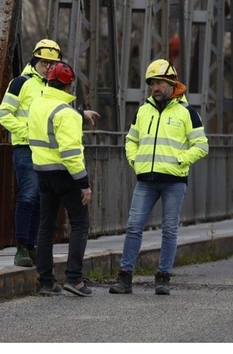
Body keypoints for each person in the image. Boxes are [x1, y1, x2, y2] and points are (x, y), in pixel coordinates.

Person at [109, 59, 210, 296]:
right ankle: (125, 279)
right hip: (146, 181)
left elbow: (202, 146)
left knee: (169, 229)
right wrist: (135, 161)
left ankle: (163, 278)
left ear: (172, 83)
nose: (155, 87)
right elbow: (131, 140)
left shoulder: (187, 113)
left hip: (173, 181)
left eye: (160, 83)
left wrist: (180, 160)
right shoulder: (143, 111)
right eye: (152, 83)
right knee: (133, 227)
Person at [26, 60, 93, 297]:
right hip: (65, 175)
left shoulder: (36, 105)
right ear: (69, 86)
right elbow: (71, 153)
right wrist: (83, 183)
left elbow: (50, 118)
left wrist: (79, 113)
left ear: (48, 82)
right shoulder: (66, 114)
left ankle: (46, 281)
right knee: (80, 223)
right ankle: (74, 278)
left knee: (46, 226)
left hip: (42, 172)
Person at [0, 39, 61, 267]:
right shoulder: (20, 83)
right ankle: (22, 248)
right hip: (25, 148)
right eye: (44, 62)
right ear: (35, 61)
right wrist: (26, 131)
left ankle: (32, 246)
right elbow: (4, 113)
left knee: (40, 199)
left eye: (53, 63)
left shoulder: (54, 87)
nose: (48, 67)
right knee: (28, 195)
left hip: (47, 150)